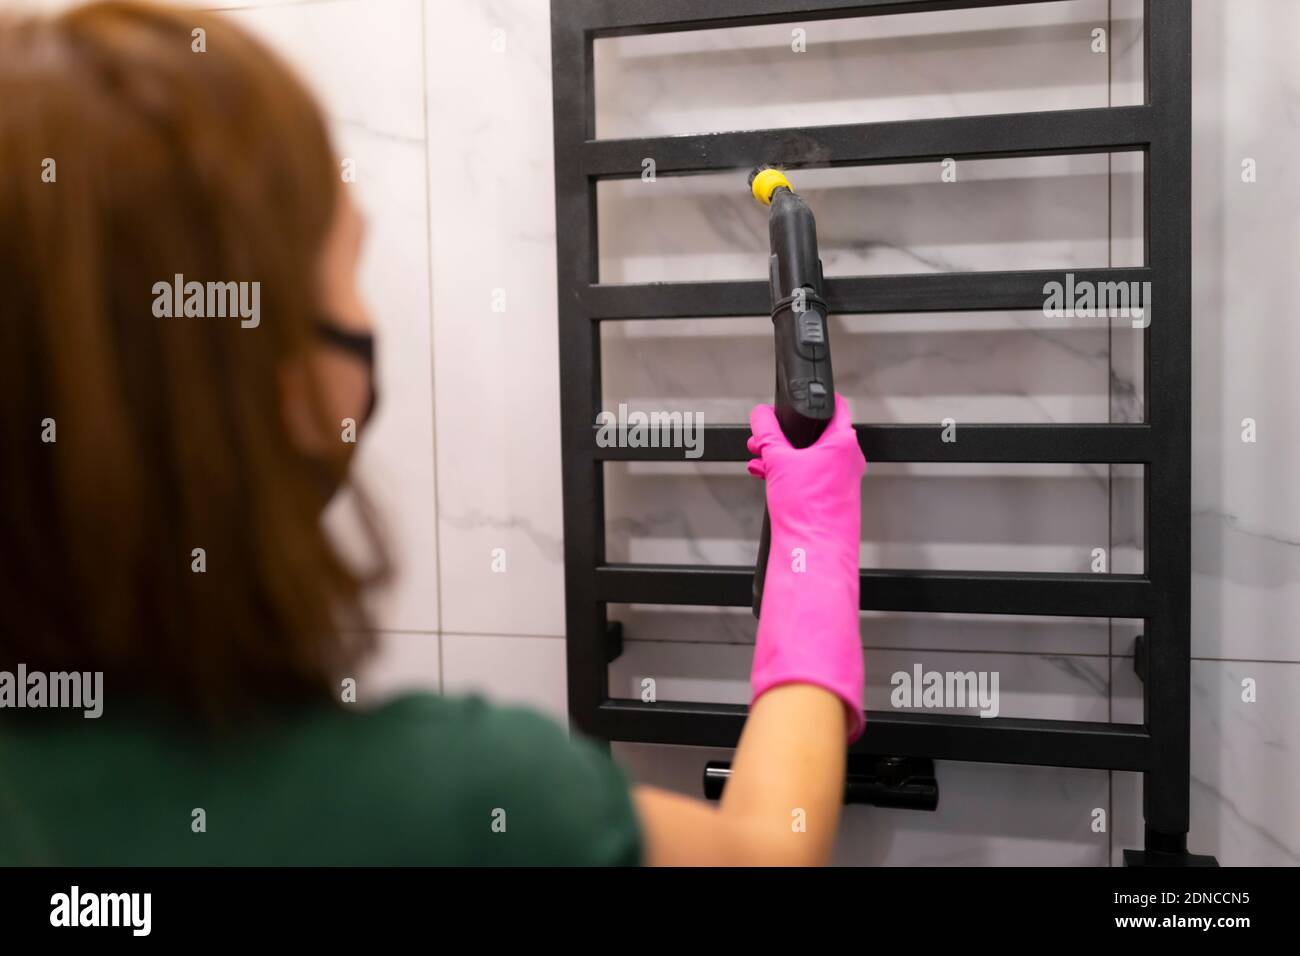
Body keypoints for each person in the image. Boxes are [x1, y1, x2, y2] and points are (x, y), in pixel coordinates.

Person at [0, 0, 866, 866]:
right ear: (272, 382)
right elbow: (764, 853)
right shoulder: (448, 807)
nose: (367, 315)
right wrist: (813, 547)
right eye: (343, 274)